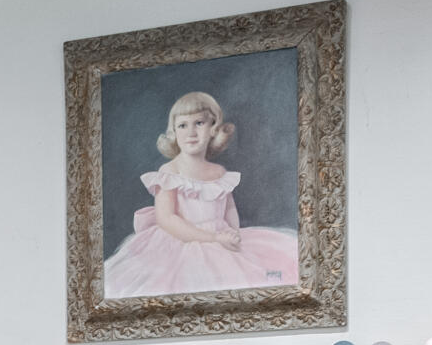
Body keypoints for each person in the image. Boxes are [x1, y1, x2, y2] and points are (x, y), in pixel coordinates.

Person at [100, 90, 300, 297]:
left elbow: (229, 210)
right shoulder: (170, 172)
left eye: (199, 123)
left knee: (266, 275)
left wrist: (233, 233)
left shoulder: (219, 173)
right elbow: (166, 218)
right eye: (183, 125)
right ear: (174, 132)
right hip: (179, 241)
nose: (191, 132)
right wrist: (212, 237)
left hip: (221, 237)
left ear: (214, 128)